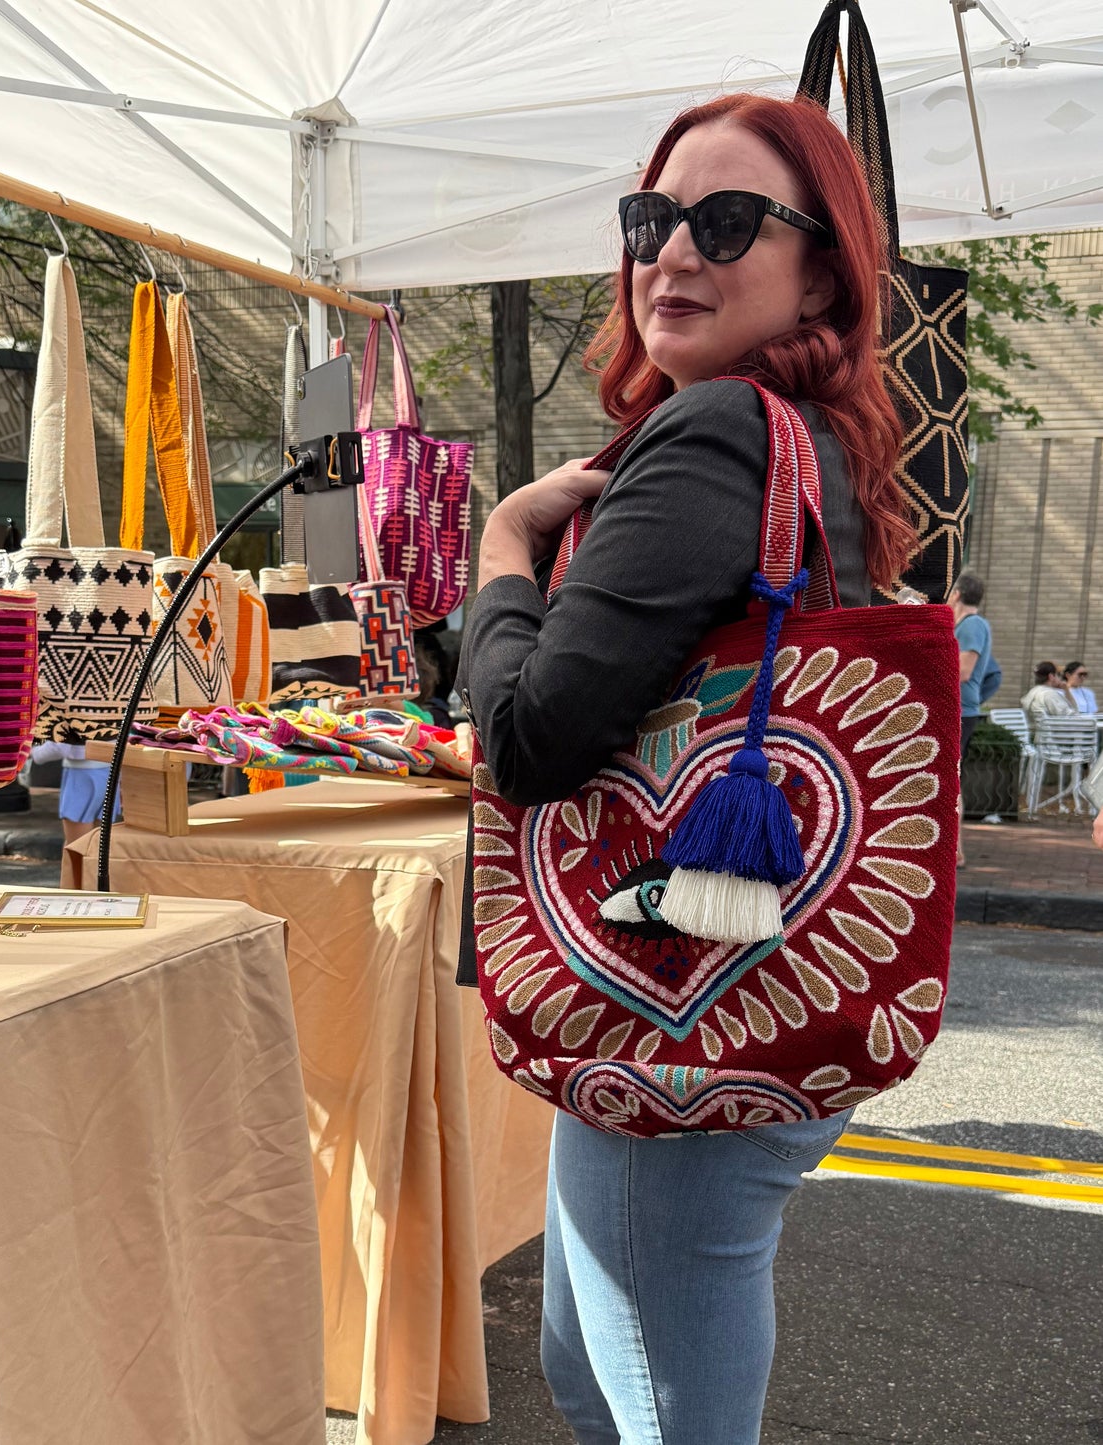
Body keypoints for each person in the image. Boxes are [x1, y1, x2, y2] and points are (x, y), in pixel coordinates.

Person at [458, 93, 918, 1445]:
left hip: (672, 997)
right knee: (591, 1370)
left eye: (723, 223)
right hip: (733, 961)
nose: (669, 252)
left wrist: (501, 551)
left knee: (651, 1406)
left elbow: (534, 739)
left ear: (818, 272)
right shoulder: (810, 437)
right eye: (649, 219)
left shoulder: (719, 427)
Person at [949, 573, 992, 865]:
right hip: (964, 709)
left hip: (962, 710)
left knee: (952, 778)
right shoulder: (968, 625)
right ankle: (955, 849)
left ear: (958, 593)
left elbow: (963, 671)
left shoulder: (972, 625)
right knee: (953, 777)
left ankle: (956, 850)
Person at [1021, 661, 1074, 731]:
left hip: (1039, 735)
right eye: (1058, 675)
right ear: (1051, 676)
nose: (1061, 678)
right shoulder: (1050, 694)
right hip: (1056, 735)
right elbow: (1071, 719)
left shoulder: (1031, 693)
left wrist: (1066, 690)